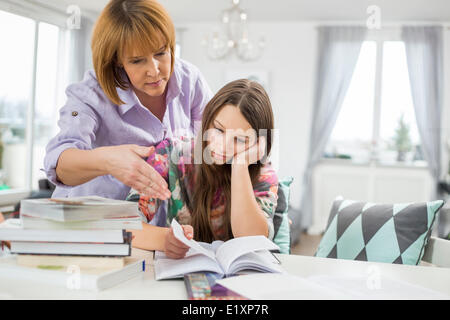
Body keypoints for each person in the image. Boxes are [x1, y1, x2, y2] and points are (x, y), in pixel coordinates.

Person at [43, 0, 212, 209]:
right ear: (117, 60)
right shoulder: (90, 95)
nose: (154, 70)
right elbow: (59, 163)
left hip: (163, 227)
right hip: (95, 223)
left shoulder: (190, 80)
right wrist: (108, 161)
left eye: (161, 53)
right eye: (137, 60)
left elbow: (212, 141)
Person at [127, 79, 279, 259]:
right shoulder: (172, 154)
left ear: (257, 143)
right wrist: (164, 240)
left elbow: (251, 240)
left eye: (240, 139)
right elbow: (126, 222)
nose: (223, 146)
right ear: (208, 118)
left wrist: (240, 166)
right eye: (219, 130)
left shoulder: (264, 175)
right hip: (182, 271)